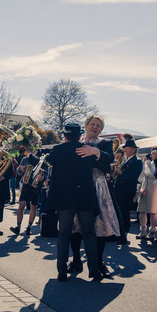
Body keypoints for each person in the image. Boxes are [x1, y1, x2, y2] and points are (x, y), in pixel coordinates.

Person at [44, 123, 109, 282]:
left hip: (65, 198)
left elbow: (47, 161)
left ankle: (61, 271)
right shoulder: (86, 150)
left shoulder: (58, 150)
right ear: (80, 136)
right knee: (89, 233)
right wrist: (96, 152)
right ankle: (93, 271)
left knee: (64, 234)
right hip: (85, 197)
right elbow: (107, 164)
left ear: (64, 136)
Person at [62, 115, 120, 278]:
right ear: (86, 126)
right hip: (78, 186)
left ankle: (99, 263)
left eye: (98, 125)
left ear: (101, 129)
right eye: (92, 124)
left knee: (99, 225)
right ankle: (76, 260)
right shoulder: (76, 142)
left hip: (98, 186)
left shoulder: (105, 143)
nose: (94, 127)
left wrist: (94, 152)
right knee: (75, 225)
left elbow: (109, 162)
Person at [113, 139, 142, 244]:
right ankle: (119, 233)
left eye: (127, 148)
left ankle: (124, 234)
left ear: (133, 150)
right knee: (119, 212)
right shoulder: (125, 159)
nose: (125, 149)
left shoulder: (137, 161)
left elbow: (133, 177)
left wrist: (120, 172)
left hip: (127, 190)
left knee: (124, 212)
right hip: (119, 188)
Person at [10, 156, 45, 236]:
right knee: (21, 205)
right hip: (26, 185)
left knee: (33, 207)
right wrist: (20, 168)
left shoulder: (41, 158)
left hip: (36, 186)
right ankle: (18, 227)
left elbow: (45, 172)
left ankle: (29, 227)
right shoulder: (25, 158)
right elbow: (18, 171)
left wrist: (43, 177)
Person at [136, 145, 157, 240]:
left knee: (153, 211)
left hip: (155, 187)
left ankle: (152, 231)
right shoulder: (147, 163)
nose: (155, 155)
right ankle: (143, 230)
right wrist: (141, 188)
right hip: (146, 186)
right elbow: (143, 176)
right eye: (153, 154)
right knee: (142, 210)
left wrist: (152, 166)